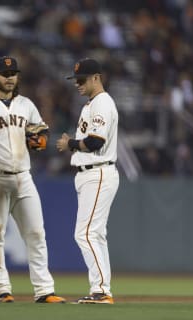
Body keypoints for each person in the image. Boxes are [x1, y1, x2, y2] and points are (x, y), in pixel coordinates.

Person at [0, 56, 66, 304]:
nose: (9, 77)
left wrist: (40, 137)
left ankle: (44, 291)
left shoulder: (26, 104)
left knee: (36, 234)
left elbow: (40, 129)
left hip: (23, 176)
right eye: (4, 73)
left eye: (13, 73)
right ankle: (1, 290)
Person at [56, 58, 119, 304]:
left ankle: (101, 290)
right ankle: (102, 289)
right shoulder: (91, 104)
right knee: (95, 234)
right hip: (89, 174)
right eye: (75, 80)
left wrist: (70, 143)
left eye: (81, 80)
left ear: (96, 77)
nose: (77, 84)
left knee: (85, 233)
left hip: (98, 172)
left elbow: (95, 142)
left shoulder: (102, 103)